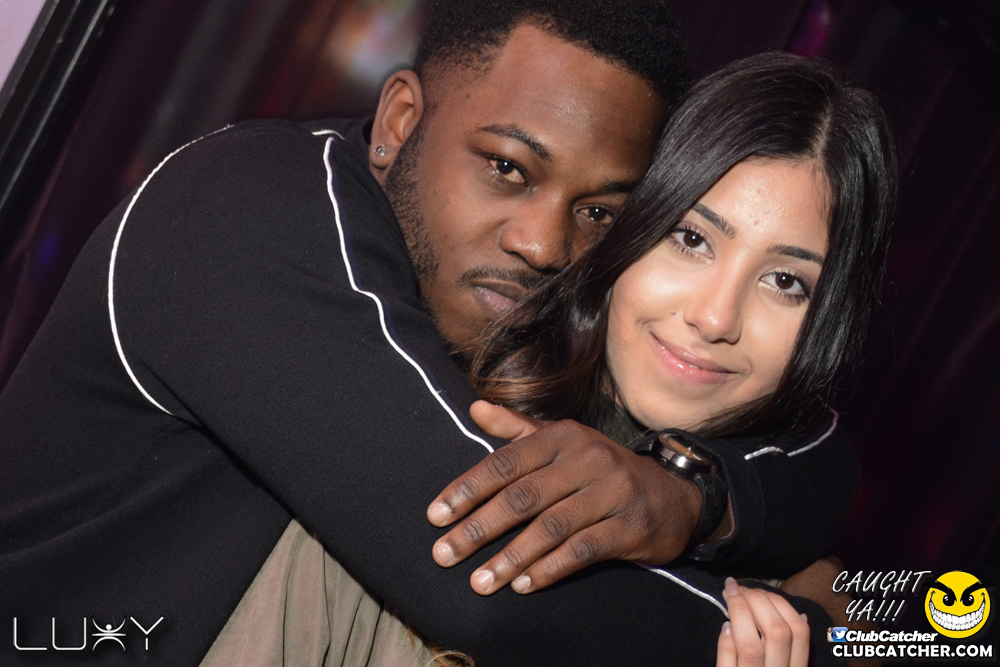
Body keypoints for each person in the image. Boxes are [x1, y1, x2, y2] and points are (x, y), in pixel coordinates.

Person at [0, 1, 865, 664]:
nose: (544, 243)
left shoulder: (558, 377)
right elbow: (482, 584)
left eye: (599, 210)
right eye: (507, 167)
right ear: (400, 122)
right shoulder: (247, 211)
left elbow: (875, 531)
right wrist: (820, 639)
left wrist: (699, 498)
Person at [205, 51, 896, 667]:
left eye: (786, 281)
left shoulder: (784, 576)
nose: (715, 317)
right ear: (627, 223)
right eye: (691, 239)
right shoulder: (422, 406)